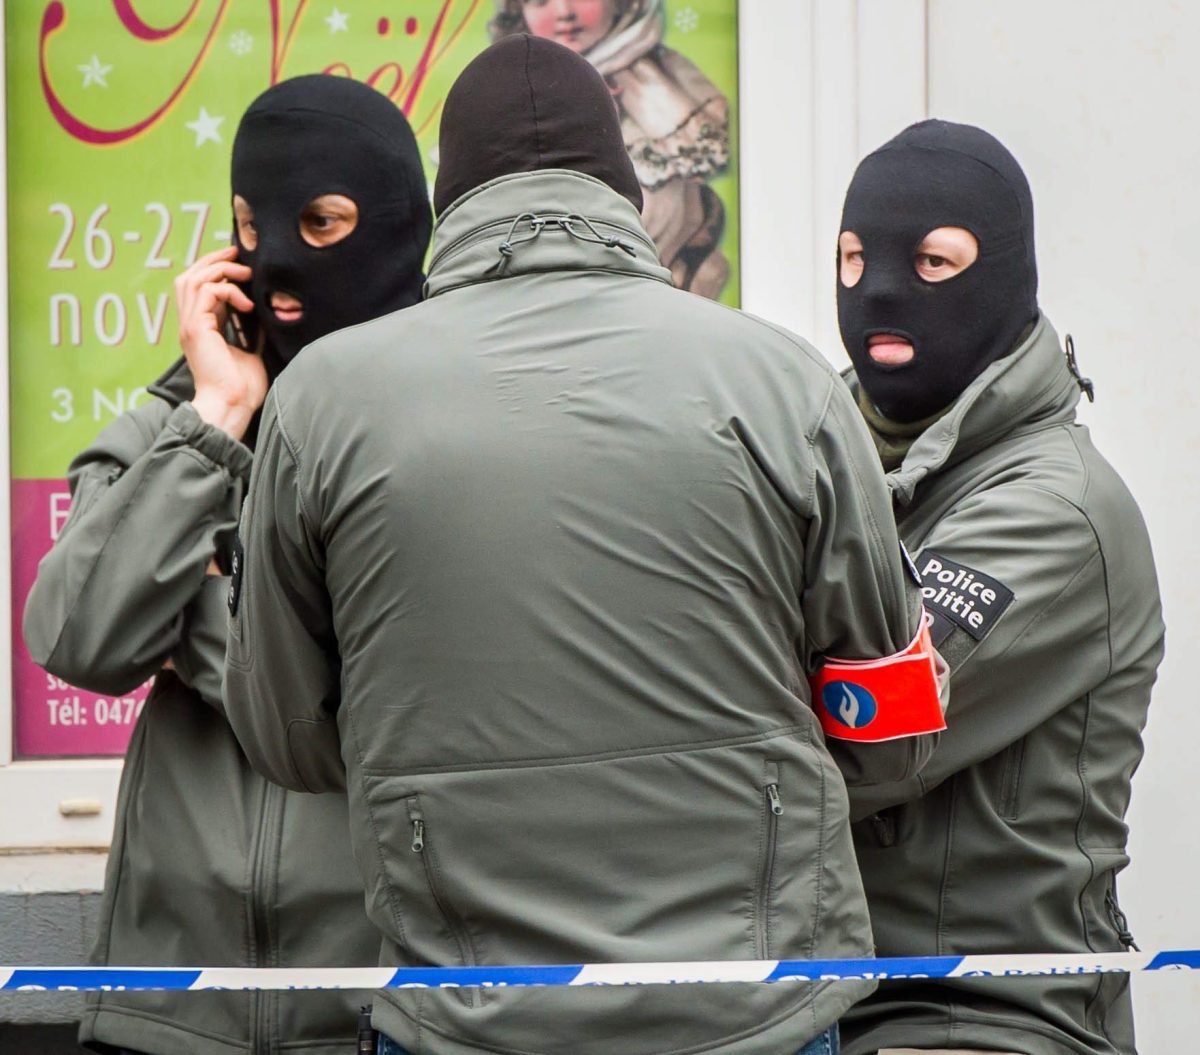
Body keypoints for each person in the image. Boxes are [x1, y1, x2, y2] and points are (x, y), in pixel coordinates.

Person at [224, 36, 947, 1055]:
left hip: (464, 1016)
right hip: (749, 1009)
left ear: (448, 198)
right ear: (621, 182)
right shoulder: (783, 384)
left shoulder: (323, 403)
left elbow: (283, 734)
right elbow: (895, 724)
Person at [23, 74, 432, 1055]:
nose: (275, 255)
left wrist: (202, 620)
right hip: (171, 1007)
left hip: (380, 1006)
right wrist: (215, 419)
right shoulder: (178, 428)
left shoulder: (446, 431)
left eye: (319, 220)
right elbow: (82, 636)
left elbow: (408, 681)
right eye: (248, 223)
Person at [832, 120, 1164, 1055]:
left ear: (1004, 276)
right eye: (853, 258)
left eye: (934, 261)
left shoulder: (1056, 510)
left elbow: (864, 726)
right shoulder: (824, 462)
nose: (880, 290)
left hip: (984, 1016)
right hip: (821, 1002)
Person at [490, 0, 731, 298]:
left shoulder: (663, 84)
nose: (564, 12)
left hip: (663, 287)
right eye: (540, 0)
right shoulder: (507, 94)